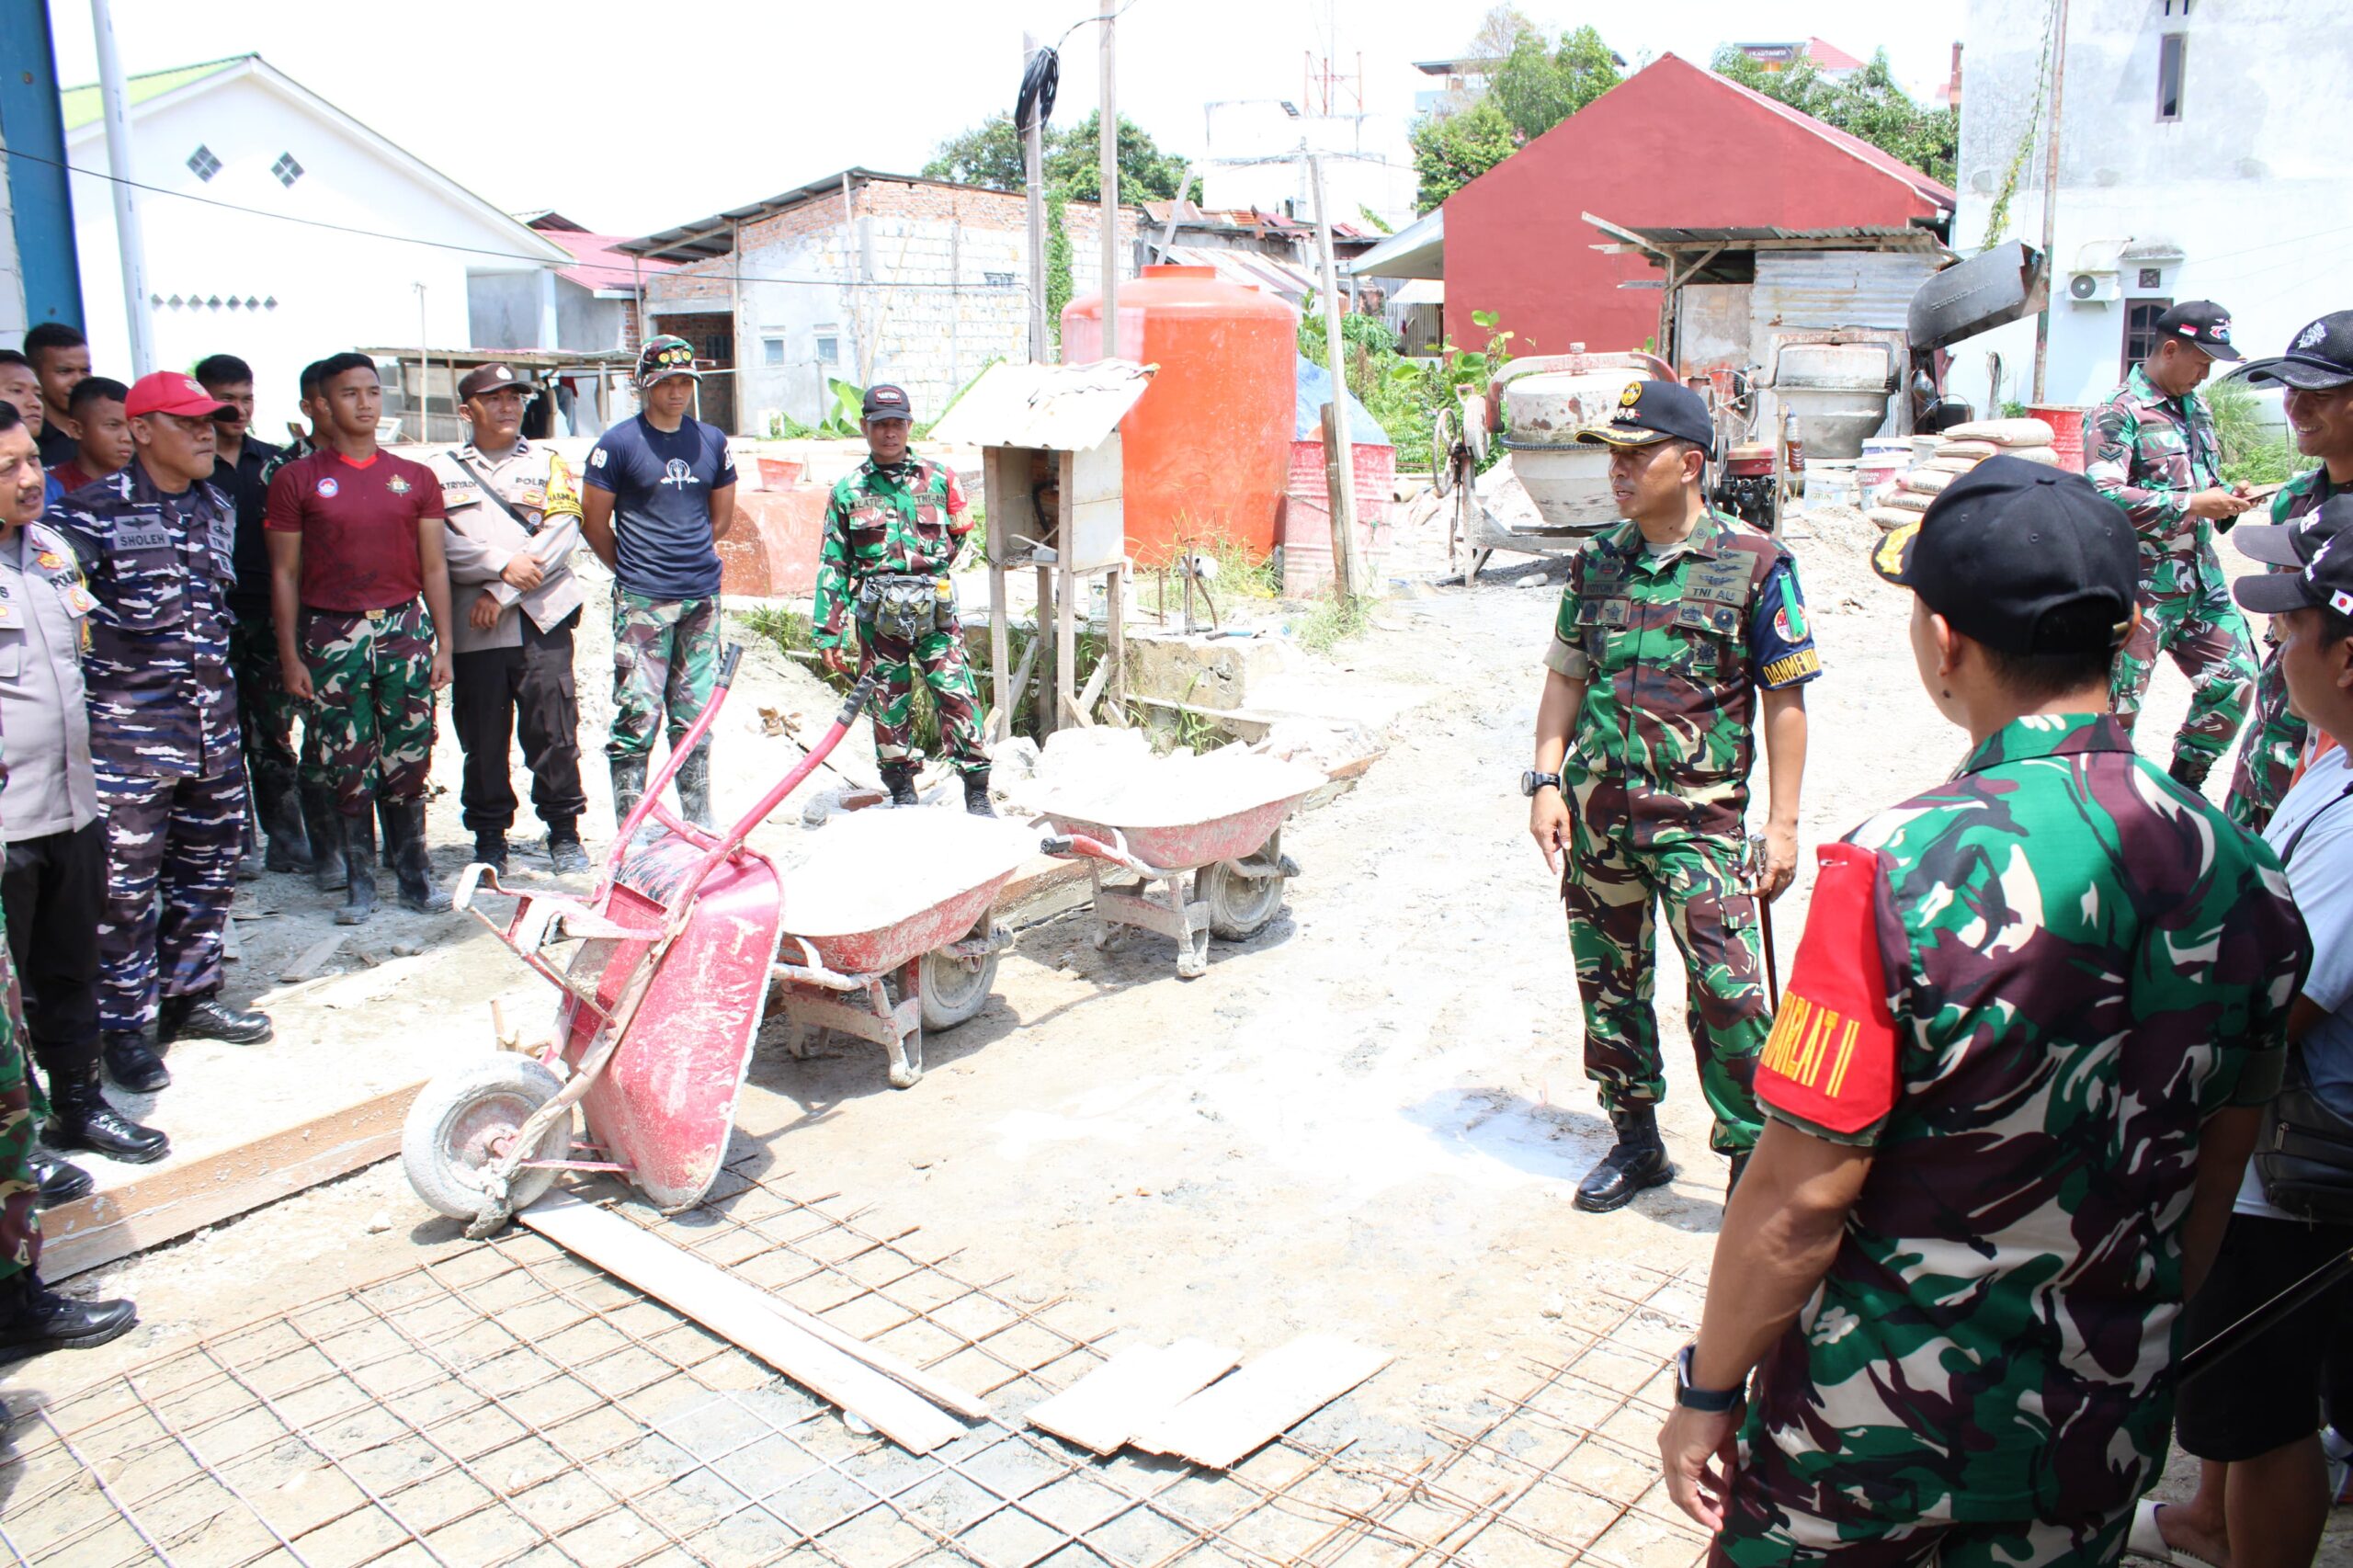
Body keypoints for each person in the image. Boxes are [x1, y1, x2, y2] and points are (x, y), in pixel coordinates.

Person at [1655, 458, 2308, 1563]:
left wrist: (1705, 1387)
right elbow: (2212, 1177)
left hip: (1868, 1446)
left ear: (1945, 639)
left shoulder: (1892, 867)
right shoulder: (2247, 875)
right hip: (2090, 1436)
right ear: (2132, 631)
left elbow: (1800, 1195)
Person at [1529, 380, 1816, 1210]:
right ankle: (1636, 1141)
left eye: (1635, 453)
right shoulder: (1597, 560)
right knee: (1609, 985)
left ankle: (1748, 1162)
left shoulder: (1755, 563)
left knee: (1729, 995)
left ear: (1689, 464)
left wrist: (1784, 824)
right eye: (1612, 455)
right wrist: (1547, 782)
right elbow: (1564, 678)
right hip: (1598, 820)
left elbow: (1786, 700)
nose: (1617, 470)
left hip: (1702, 823)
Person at [2141, 496, 2353, 1568]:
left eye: (2290, 626)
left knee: (2264, 1407)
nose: (2273, 647)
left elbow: (2288, 996)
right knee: (2227, 1380)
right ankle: (2202, 1520)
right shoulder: (2336, 755)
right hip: (2276, 1150)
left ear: (2347, 655)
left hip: (2295, 1164)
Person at [52, 372, 273, 1096]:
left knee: (209, 871)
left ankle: (189, 996)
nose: (207, 433)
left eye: (211, 421)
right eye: (188, 423)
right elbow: (68, 630)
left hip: (211, 726)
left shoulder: (216, 505)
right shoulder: (84, 516)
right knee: (123, 887)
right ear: (142, 431)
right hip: (129, 738)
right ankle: (123, 1026)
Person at [0, 402, 166, 1175]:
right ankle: (17, 1148)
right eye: (9, 469)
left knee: (71, 972)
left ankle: (77, 1110)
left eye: (33, 459)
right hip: (6, 826)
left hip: (72, 808)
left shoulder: (52, 554)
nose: (31, 478)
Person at [264, 352, 454, 922]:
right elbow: (284, 574)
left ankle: (415, 878)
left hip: (403, 627)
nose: (365, 403)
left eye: (372, 391)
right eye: (350, 393)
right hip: (331, 632)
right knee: (345, 756)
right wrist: (290, 656)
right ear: (322, 404)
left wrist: (443, 644)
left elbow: (435, 567)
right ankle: (359, 883)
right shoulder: (296, 479)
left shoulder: (415, 478)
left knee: (409, 754)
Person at [2087, 300, 2259, 790]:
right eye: (2202, 362)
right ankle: (2106, 806)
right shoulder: (2118, 412)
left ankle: (2185, 787)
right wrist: (2190, 503)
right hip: (2140, 590)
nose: (2206, 375)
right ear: (2169, 349)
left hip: (2202, 582)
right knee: (2116, 711)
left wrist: (2227, 497)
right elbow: (2103, 495)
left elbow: (2202, 481)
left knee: (2236, 679)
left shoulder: (2195, 409)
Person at [427, 364, 589, 873]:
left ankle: (564, 831)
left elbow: (563, 533)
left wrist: (500, 591)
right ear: (466, 410)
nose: (508, 407)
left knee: (554, 730)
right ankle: (490, 837)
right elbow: (439, 546)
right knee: (483, 736)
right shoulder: (438, 469)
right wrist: (501, 566)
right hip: (475, 628)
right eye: (494, 398)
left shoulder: (547, 462)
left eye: (515, 397)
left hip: (540, 618)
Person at [813, 383, 993, 814]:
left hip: (936, 614)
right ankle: (902, 791)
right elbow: (833, 563)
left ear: (909, 426)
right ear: (865, 428)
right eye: (880, 425)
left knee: (956, 692)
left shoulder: (941, 478)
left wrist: (929, 575)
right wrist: (828, 631)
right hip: (879, 619)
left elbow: (961, 535)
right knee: (888, 703)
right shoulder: (848, 490)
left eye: (897, 424)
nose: (889, 433)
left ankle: (978, 792)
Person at [580, 335, 735, 830]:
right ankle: (633, 827)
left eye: (684, 382)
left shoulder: (710, 440)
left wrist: (684, 557)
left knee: (694, 713)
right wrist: (634, 568)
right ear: (644, 386)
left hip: (700, 599)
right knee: (636, 713)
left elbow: (721, 519)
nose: (676, 392)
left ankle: (697, 819)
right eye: (665, 382)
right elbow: (593, 522)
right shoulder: (619, 444)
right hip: (643, 600)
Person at [2223, 310, 2353, 833]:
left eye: (2317, 394)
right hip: (2269, 748)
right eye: (2289, 390)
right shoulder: (2296, 502)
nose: (2295, 407)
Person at [196, 352, 304, 875]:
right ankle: (237, 844)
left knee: (273, 731)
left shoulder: (274, 463)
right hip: (213, 616)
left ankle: (286, 837)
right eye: (226, 401)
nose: (238, 411)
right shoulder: (192, 465)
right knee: (220, 734)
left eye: (246, 399)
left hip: (268, 613)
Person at [20, 324, 88, 473]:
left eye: (85, 371)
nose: (78, 381)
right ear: (34, 375)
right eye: (65, 371)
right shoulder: (25, 440)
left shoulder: (104, 432)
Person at [49, 376, 131, 494]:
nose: (127, 438)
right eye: (113, 425)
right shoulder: (50, 489)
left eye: (131, 427)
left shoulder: (145, 486)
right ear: (76, 429)